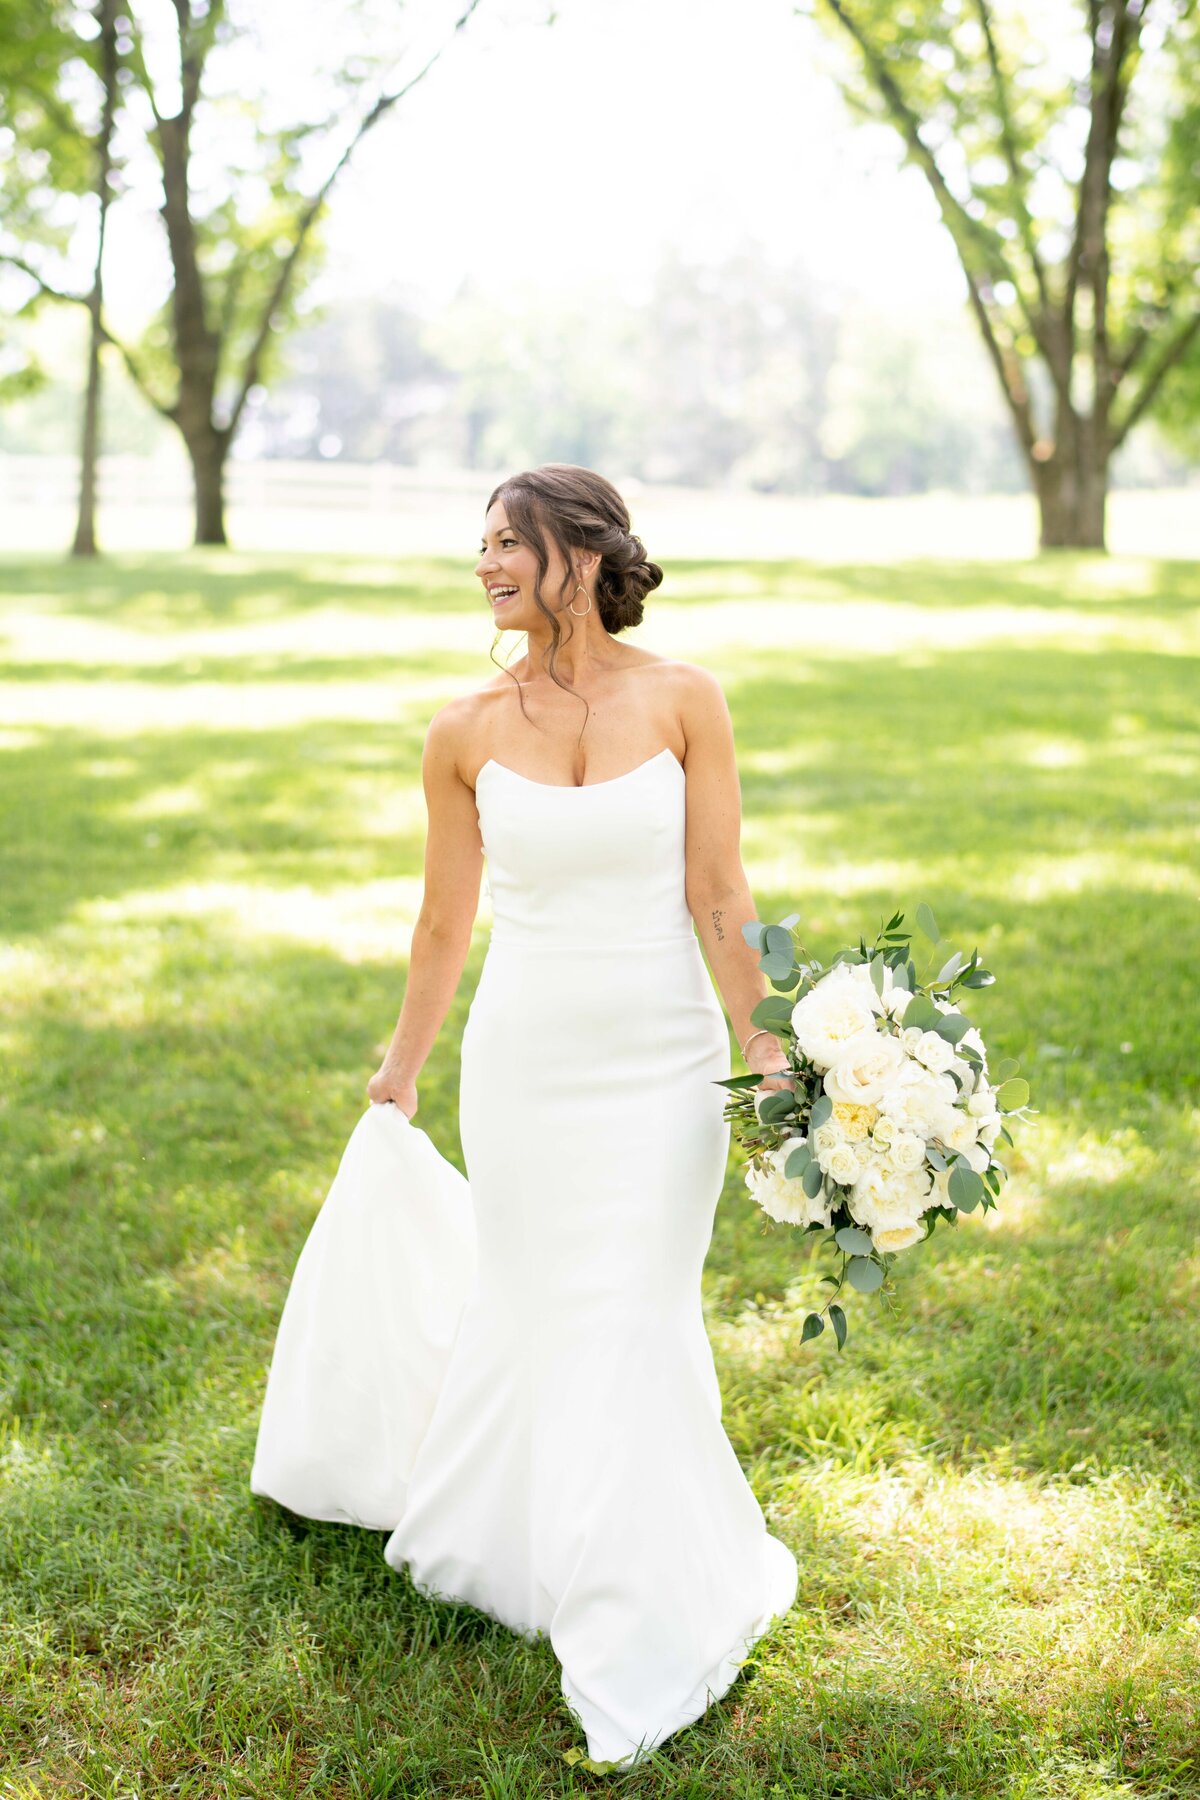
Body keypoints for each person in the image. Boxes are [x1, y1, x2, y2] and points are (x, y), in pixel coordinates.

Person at [250, 463, 799, 1769]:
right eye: (480, 544)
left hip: (663, 1067)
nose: (487, 562)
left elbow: (721, 892)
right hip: (528, 1069)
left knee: (635, 1309)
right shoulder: (460, 731)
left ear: (583, 553)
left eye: (510, 541)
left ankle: (635, 1594)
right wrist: (401, 1064)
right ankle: (537, 1550)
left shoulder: (686, 700)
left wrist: (763, 1041)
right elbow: (445, 921)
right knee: (546, 1302)